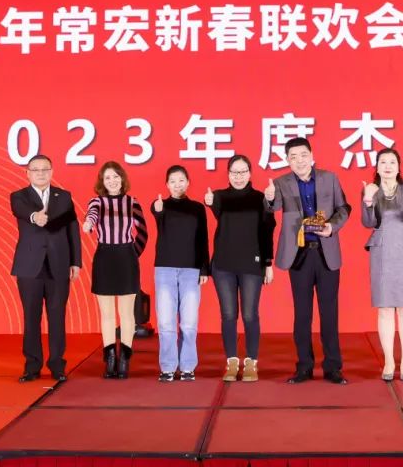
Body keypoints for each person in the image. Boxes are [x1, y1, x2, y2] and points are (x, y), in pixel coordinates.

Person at [265, 137, 352, 384]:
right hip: (299, 254)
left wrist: (331, 227)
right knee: (302, 314)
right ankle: (304, 366)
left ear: (312, 156)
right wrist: (269, 198)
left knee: (329, 313)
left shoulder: (329, 178)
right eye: (293, 157)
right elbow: (272, 208)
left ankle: (333, 367)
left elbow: (344, 208)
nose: (299, 161)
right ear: (287, 160)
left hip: (326, 252)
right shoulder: (281, 183)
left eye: (303, 155)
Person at [8, 154, 81, 383]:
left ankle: (57, 365)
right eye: (36, 169)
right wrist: (34, 217)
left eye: (45, 169)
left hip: (59, 265)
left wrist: (75, 261)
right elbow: (21, 211)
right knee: (31, 317)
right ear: (27, 173)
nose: (40, 173)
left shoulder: (64, 197)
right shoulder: (19, 196)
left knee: (57, 316)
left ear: (52, 172)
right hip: (29, 266)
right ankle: (32, 366)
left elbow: (72, 230)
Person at [205, 155, 276, 382]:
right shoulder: (219, 197)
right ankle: (232, 362)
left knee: (249, 314)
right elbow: (216, 211)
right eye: (234, 172)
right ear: (228, 174)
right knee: (228, 314)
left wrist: (268, 263)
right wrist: (210, 202)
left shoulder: (260, 198)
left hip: (251, 264)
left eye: (243, 172)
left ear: (250, 173)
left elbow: (267, 230)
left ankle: (251, 362)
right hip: (223, 264)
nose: (238, 177)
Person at [360, 148, 403, 381]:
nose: (387, 166)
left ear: (398, 167)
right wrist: (368, 199)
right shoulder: (371, 190)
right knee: (385, 309)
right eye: (383, 162)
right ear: (377, 167)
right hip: (382, 253)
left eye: (392, 162)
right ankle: (389, 360)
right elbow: (368, 222)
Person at [83, 161, 148, 379]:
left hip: (126, 258)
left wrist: (132, 254)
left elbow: (143, 232)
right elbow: (92, 214)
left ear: (122, 179)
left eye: (116, 176)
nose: (112, 181)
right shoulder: (97, 201)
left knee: (127, 313)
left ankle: (125, 358)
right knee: (107, 314)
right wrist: (88, 224)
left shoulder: (132, 202)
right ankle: (109, 358)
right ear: (102, 182)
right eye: (107, 177)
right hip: (104, 258)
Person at [151, 165, 210, 382]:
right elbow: (155, 212)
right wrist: (157, 209)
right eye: (173, 181)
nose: (177, 185)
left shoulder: (197, 208)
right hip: (165, 269)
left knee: (189, 323)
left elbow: (203, 238)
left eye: (181, 180)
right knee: (166, 322)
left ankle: (187, 367)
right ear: (167, 185)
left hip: (191, 269)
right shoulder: (161, 205)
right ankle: (167, 367)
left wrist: (205, 268)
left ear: (188, 182)